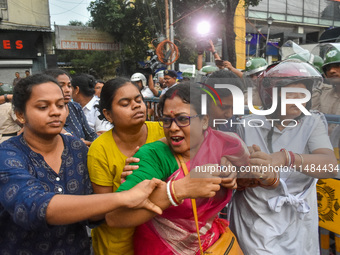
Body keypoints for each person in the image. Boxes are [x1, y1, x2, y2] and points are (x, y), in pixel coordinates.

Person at [0, 74, 163, 254]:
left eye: (61, 105)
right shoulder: (8, 155)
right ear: (20, 115)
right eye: (43, 107)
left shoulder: (77, 148)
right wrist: (123, 197)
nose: (56, 112)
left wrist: (122, 185)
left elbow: (94, 213)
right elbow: (31, 206)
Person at [105, 82, 250, 254]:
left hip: (213, 244)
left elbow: (248, 179)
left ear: (204, 121)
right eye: (167, 120)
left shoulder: (228, 144)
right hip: (161, 248)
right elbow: (115, 217)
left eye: (182, 119)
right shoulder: (154, 156)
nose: (173, 128)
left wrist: (234, 174)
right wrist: (174, 192)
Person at [229, 59, 338, 255]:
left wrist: (287, 158)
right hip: (256, 219)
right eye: (290, 95)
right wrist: (251, 174)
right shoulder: (246, 124)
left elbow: (329, 166)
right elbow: (235, 177)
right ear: (271, 96)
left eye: (302, 94)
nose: (299, 101)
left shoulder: (312, 122)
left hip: (299, 221)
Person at [87, 77, 165, 255]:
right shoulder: (99, 150)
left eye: (138, 100)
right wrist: (129, 184)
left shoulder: (163, 131)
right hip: (119, 244)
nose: (136, 105)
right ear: (108, 115)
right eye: (125, 103)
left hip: (161, 241)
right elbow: (105, 210)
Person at [44, 69, 98, 146]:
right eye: (61, 85)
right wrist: (80, 143)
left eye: (69, 86)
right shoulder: (43, 112)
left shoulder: (75, 107)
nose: (67, 90)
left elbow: (90, 135)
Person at [312, 44, 340, 135]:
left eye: (337, 65)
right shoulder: (321, 93)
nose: (332, 71)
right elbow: (310, 121)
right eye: (328, 68)